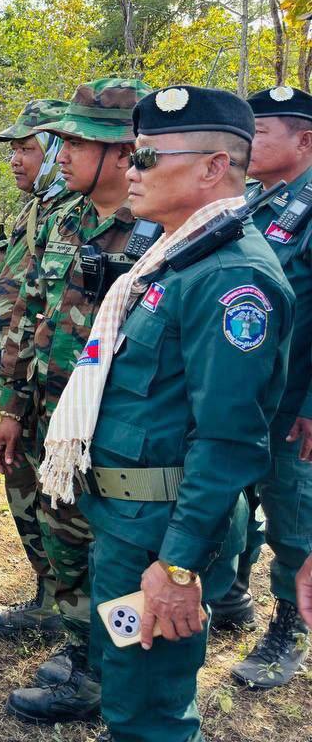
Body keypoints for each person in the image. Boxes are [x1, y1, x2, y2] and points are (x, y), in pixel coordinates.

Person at [40, 85, 292, 742]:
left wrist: (179, 569)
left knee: (152, 712)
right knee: (129, 683)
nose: (132, 169)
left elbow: (227, 442)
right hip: (131, 527)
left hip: (163, 538)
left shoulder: (232, 279)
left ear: (214, 167)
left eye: (148, 156)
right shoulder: (176, 259)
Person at [0, 79, 150, 723]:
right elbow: (29, 311)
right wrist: (13, 407)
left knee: (117, 556)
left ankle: (116, 676)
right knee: (64, 543)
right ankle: (87, 661)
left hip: (116, 429)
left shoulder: (155, 231)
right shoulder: (64, 219)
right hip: (49, 418)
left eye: (79, 143)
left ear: (122, 153)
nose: (63, 154)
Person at [226, 85, 312, 689]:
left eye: (260, 132)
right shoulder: (253, 202)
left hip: (292, 402)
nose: (247, 142)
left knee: (293, 514)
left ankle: (291, 626)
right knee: (237, 498)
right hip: (245, 394)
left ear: (304, 140)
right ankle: (233, 594)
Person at [0, 97, 72, 638]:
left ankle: (64, 606)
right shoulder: (36, 209)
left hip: (49, 385)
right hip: (21, 384)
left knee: (55, 496)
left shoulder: (72, 216)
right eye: (12, 150)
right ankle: (48, 594)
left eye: (27, 149)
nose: (15, 159)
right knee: (24, 484)